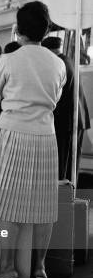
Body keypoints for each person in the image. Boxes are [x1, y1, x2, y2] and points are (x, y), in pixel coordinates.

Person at [0, 1, 66, 278]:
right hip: (45, 136)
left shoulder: (10, 58)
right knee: (43, 204)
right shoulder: (57, 63)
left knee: (5, 203)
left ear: (18, 30)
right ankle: (39, 269)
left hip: (12, 134)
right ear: (46, 29)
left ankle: (5, 272)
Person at [41, 36, 90, 180]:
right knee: (69, 165)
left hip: (67, 122)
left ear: (47, 51)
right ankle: (66, 198)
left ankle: (63, 200)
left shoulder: (59, 64)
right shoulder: (67, 60)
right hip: (74, 119)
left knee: (63, 166)